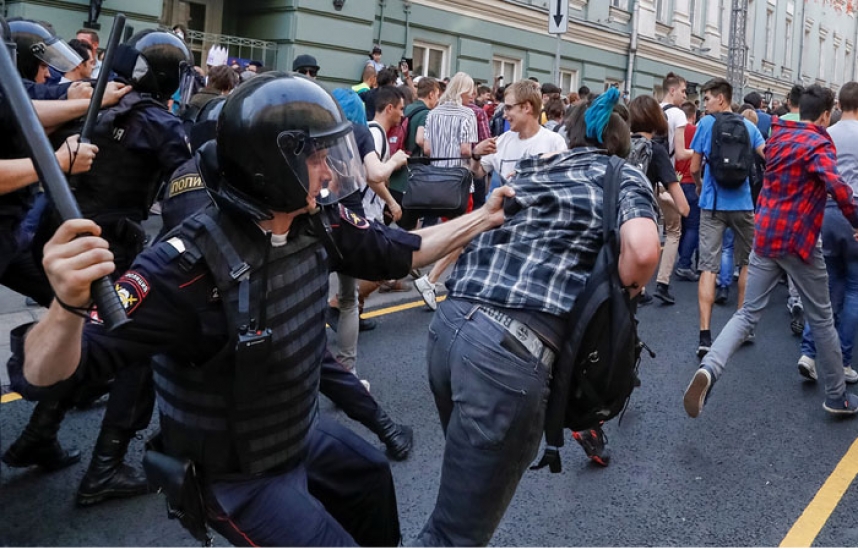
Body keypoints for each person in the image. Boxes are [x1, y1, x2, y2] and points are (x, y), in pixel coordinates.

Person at [9, 72, 514, 546]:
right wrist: (66, 307)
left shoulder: (315, 219)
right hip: (237, 476)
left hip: (295, 433)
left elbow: (400, 248)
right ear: (273, 167)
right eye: (318, 157)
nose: (332, 169)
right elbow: (46, 377)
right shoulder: (180, 269)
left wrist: (485, 219)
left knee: (369, 477)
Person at [412, 87, 660, 547]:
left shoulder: (537, 166)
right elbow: (643, 252)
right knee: (453, 535)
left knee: (463, 486)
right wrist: (621, 290)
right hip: (507, 352)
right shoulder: (623, 175)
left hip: (450, 328)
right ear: (623, 144)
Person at [4, 29, 193, 507]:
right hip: (108, 252)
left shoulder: (91, 109)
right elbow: (188, 197)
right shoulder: (161, 124)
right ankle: (105, 467)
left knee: (82, 339)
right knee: (137, 350)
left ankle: (39, 433)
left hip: (58, 239)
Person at [684, 84, 858, 419]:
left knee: (747, 314)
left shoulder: (779, 135)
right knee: (821, 318)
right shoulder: (817, 143)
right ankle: (837, 396)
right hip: (800, 240)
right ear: (824, 115)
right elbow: (837, 186)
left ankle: (709, 368)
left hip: (766, 233)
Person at [690, 77, 765, 357]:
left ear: (721, 98)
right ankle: (741, 327)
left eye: (707, 98)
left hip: (713, 203)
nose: (704, 103)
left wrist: (699, 184)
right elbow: (766, 155)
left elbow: (695, 165)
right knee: (747, 262)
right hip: (744, 204)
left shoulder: (706, 124)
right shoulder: (749, 126)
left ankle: (705, 335)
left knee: (708, 266)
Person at [796, 81, 858, 386]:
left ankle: (808, 353)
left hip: (826, 213)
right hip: (854, 212)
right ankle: (844, 362)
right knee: (855, 291)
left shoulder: (826, 134)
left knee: (825, 290)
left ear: (839, 106)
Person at [628, 95, 690, 305]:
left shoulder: (620, 145)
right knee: (674, 230)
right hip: (644, 215)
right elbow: (682, 204)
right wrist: (680, 206)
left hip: (619, 215)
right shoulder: (657, 150)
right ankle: (662, 282)